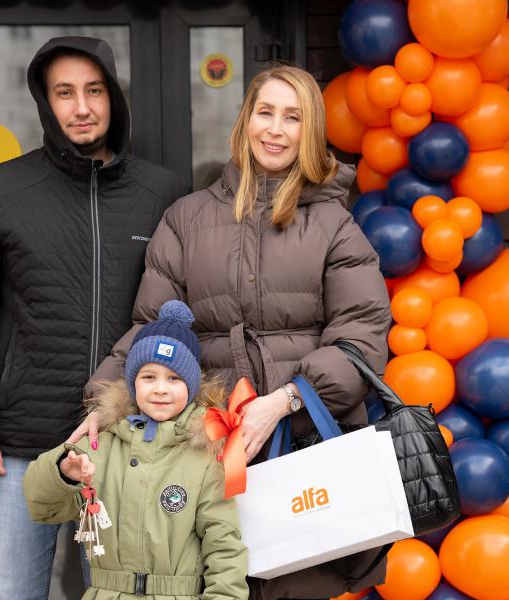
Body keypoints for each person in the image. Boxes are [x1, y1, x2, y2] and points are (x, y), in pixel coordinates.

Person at [83, 65, 393, 597]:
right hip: (203, 451)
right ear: (245, 120)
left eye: (292, 117)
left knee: (298, 582)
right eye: (265, 112)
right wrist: (102, 405)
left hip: (303, 446)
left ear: (310, 131)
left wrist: (287, 400)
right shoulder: (186, 219)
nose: (275, 129)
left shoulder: (334, 225)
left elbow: (361, 333)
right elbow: (151, 329)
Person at [0, 36, 189, 600]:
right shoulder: (0, 190)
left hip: (129, 447)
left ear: (113, 98)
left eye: (94, 91)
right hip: (18, 450)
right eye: (65, 92)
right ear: (45, 102)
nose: (81, 107)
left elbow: (179, 315)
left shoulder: (163, 193)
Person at [22, 300, 248, 600]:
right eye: (148, 377)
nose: (160, 389)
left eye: (174, 378)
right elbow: (41, 505)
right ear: (132, 383)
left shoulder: (205, 457)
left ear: (192, 386)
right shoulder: (100, 446)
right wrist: (63, 471)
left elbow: (224, 546)